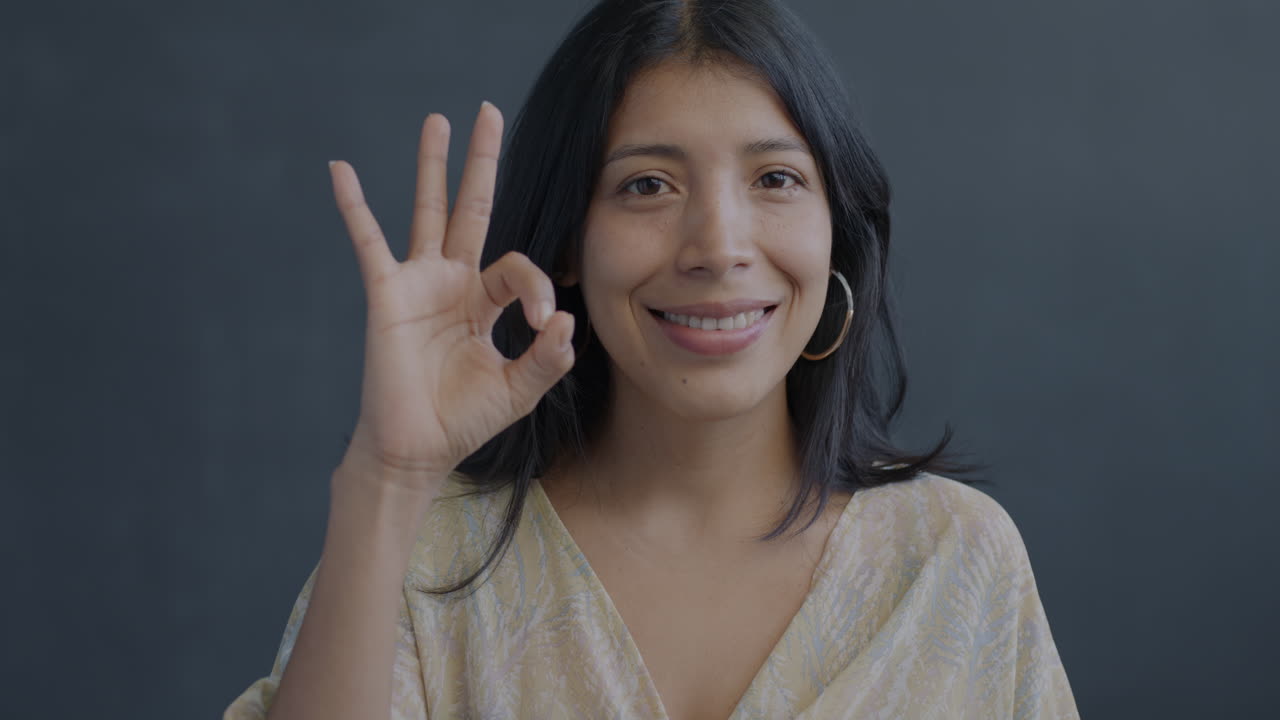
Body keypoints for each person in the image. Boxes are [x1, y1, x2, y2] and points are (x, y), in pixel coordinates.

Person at [226, 0, 1079, 717]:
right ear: (567, 242)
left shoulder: (952, 557)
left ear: (836, 234)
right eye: (647, 185)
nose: (718, 246)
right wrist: (386, 477)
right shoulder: (423, 556)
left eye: (775, 179)